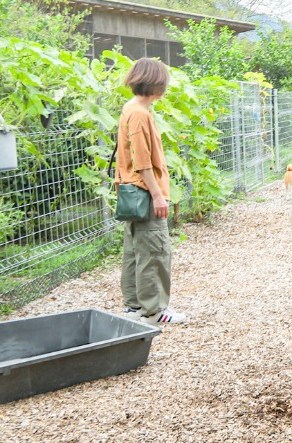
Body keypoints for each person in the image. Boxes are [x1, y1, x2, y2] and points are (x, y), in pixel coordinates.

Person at [117, 58, 186, 324]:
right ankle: (155, 311)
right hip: (144, 193)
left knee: (135, 251)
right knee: (154, 252)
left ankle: (134, 307)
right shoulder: (139, 114)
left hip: (131, 191)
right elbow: (142, 161)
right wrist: (158, 195)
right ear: (156, 84)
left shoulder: (130, 108)